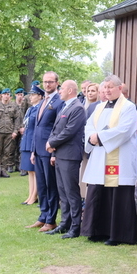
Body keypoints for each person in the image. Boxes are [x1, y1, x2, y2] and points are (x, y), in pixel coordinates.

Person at [82, 75, 137, 246]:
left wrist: (99, 137)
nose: (107, 90)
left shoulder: (129, 107)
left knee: (117, 195)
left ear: (119, 88)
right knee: (97, 192)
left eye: (110, 87)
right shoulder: (99, 107)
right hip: (100, 156)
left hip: (118, 157)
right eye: (105, 87)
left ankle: (118, 234)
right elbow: (89, 126)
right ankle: (97, 230)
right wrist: (92, 137)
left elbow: (123, 131)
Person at [45, 80, 86, 238]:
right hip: (60, 155)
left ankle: (75, 227)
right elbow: (56, 129)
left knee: (71, 192)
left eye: (62, 89)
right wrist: (53, 151)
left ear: (70, 90)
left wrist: (51, 143)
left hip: (70, 155)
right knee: (63, 192)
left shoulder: (77, 108)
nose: (59, 91)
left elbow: (69, 131)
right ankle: (64, 223)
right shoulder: (65, 106)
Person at [29, 73, 62, 232]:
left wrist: (54, 152)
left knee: (51, 186)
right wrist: (33, 150)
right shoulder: (43, 101)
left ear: (57, 83)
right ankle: (43, 216)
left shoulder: (59, 101)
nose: (47, 85)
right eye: (45, 82)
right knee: (41, 186)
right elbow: (37, 127)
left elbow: (58, 128)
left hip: (50, 150)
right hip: (38, 151)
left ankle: (51, 220)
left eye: (50, 82)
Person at [18, 85, 43, 200]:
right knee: (29, 170)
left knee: (35, 170)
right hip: (26, 140)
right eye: (30, 95)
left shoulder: (40, 108)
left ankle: (35, 195)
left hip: (33, 141)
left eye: (33, 95)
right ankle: (30, 194)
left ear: (40, 96)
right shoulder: (30, 109)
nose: (30, 97)